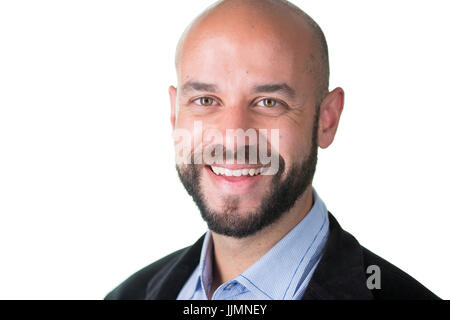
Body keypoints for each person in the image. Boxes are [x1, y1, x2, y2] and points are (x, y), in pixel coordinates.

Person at [105, 0, 439, 300]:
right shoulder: (127, 295)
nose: (234, 139)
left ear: (327, 120)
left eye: (269, 102)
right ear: (175, 113)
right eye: (205, 100)